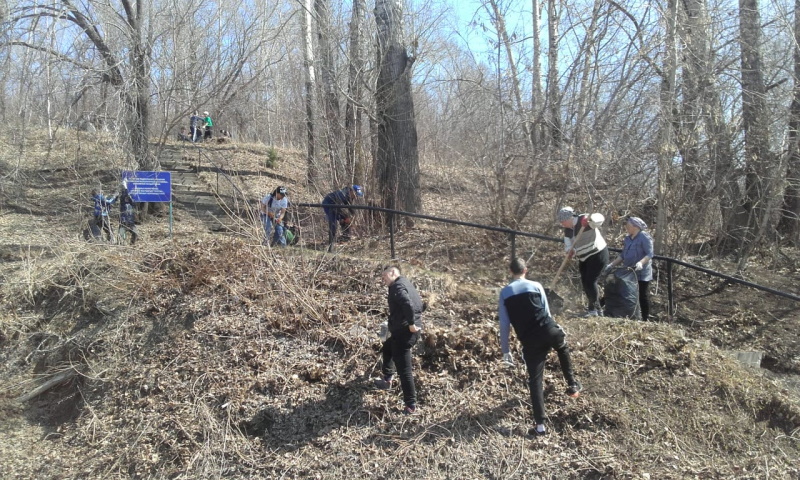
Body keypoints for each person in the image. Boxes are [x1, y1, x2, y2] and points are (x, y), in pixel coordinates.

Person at [498, 258, 581, 436]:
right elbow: (547, 311)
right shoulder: (536, 286)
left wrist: (506, 350)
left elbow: (504, 325)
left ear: (510, 271)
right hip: (549, 330)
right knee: (562, 348)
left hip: (530, 340)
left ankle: (540, 426)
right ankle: (572, 385)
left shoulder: (504, 293)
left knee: (535, 380)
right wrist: (554, 328)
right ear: (525, 270)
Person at [374, 266, 424, 415]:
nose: (384, 281)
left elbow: (407, 304)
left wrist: (411, 323)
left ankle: (411, 406)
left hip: (405, 333)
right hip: (404, 331)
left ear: (393, 273)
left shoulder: (397, 286)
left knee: (405, 370)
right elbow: (419, 305)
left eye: (384, 277)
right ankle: (387, 378)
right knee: (387, 348)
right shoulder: (406, 283)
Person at [558, 206, 608, 317]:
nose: (562, 224)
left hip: (597, 254)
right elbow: (568, 246)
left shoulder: (583, 219)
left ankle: (594, 310)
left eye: (563, 221)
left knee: (590, 281)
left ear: (570, 218)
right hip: (584, 258)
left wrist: (591, 220)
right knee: (585, 282)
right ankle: (595, 309)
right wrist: (570, 251)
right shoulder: (568, 231)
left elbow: (600, 218)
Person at [606, 216, 654, 321]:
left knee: (642, 295)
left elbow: (650, 254)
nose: (626, 227)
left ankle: (645, 319)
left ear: (635, 227)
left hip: (641, 272)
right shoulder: (628, 238)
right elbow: (623, 255)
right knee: (618, 290)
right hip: (628, 271)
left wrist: (641, 263)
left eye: (628, 225)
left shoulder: (644, 237)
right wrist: (611, 265)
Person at [321, 185, 364, 251]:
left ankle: (346, 237)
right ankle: (331, 246)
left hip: (336, 206)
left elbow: (350, 206)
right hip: (328, 204)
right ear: (351, 191)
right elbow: (338, 208)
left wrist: (354, 215)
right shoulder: (341, 195)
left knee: (346, 219)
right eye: (355, 194)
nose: (356, 197)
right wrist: (340, 218)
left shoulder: (350, 196)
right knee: (333, 223)